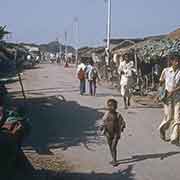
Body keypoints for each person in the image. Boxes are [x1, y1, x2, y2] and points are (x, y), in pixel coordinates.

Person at [158, 53, 180, 145]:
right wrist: (160, 93)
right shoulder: (166, 71)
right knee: (169, 117)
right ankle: (162, 129)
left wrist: (174, 90)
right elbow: (161, 82)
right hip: (167, 97)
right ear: (171, 61)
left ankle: (174, 137)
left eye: (178, 61)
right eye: (176, 61)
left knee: (177, 117)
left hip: (178, 97)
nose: (177, 62)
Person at [100, 98, 126, 166]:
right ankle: (113, 158)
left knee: (113, 146)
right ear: (107, 106)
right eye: (109, 106)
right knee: (110, 146)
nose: (111, 107)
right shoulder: (106, 114)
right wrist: (102, 127)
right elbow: (103, 122)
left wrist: (122, 126)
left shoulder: (118, 115)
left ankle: (115, 161)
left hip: (116, 134)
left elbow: (123, 122)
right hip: (108, 133)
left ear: (116, 107)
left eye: (113, 106)